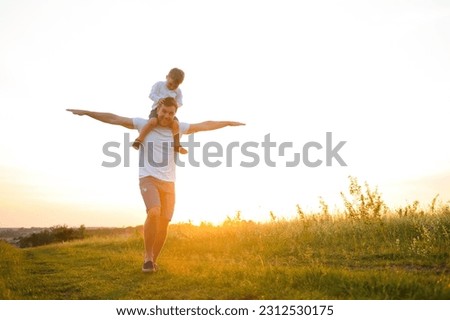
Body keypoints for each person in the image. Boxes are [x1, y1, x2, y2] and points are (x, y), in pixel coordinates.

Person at [67, 97, 244, 273]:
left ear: (175, 114)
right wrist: (88, 113)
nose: (167, 116)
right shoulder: (144, 124)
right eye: (164, 112)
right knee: (154, 212)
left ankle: (153, 261)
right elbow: (115, 119)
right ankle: (148, 256)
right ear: (158, 109)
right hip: (148, 177)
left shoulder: (179, 128)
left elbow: (204, 125)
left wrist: (227, 123)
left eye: (171, 113)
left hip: (169, 182)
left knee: (165, 222)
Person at [132, 67, 187, 154]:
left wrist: (175, 104)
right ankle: (139, 140)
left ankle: (177, 145)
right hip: (157, 111)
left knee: (176, 124)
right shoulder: (159, 85)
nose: (172, 87)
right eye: (170, 84)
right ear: (167, 77)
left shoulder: (178, 91)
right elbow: (151, 95)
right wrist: (158, 99)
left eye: (175, 86)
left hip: (169, 113)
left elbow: (180, 102)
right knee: (153, 122)